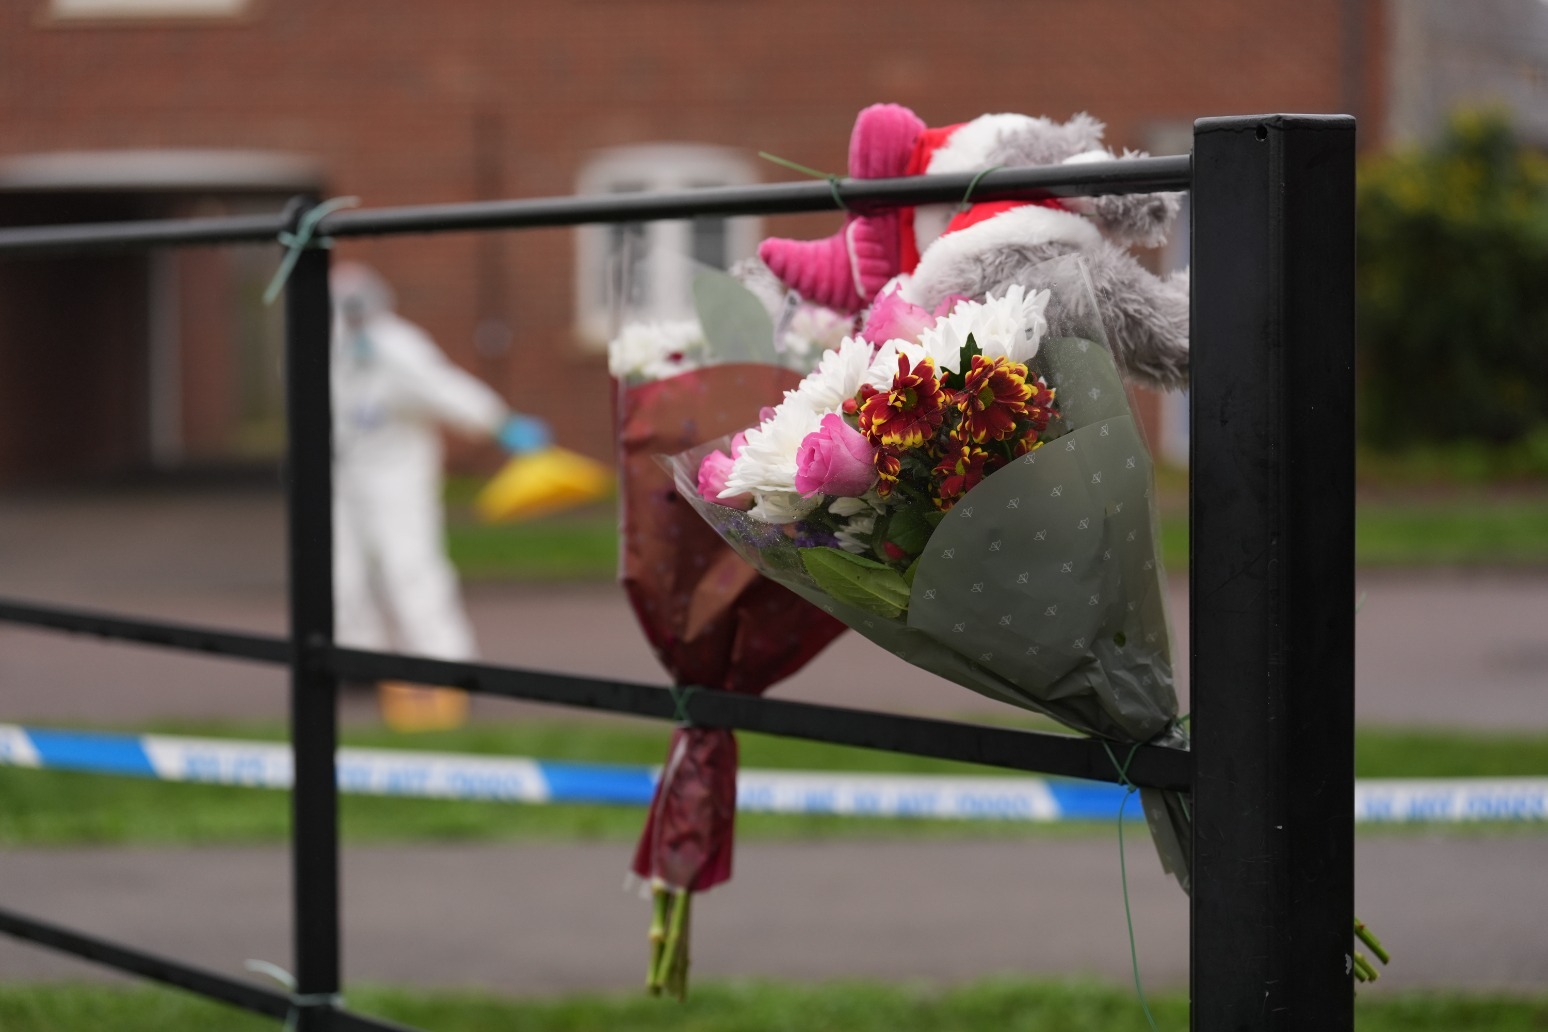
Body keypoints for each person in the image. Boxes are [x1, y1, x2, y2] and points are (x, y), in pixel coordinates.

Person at [329, 262, 548, 730]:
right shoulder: (327, 345)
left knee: (409, 565)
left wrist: (499, 423)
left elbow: (445, 388)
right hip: (342, 473)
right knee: (339, 570)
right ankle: (355, 658)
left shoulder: (398, 345)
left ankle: (446, 663)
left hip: (397, 474)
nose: (353, 317)